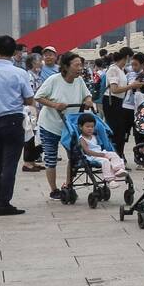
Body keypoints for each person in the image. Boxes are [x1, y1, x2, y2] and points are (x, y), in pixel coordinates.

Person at [0, 35, 35, 215]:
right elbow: (29, 99)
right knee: (9, 164)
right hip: (13, 121)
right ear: (14, 52)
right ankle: (4, 203)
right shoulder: (20, 73)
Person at [34, 52, 93, 202]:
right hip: (50, 124)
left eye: (81, 64)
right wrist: (55, 105)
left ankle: (68, 185)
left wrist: (88, 100)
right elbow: (38, 96)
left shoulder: (79, 81)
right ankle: (54, 190)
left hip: (70, 126)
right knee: (51, 158)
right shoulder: (54, 80)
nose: (80, 68)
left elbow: (87, 95)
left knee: (73, 156)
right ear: (66, 66)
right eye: (77, 65)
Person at [77, 115, 127, 181]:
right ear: (80, 127)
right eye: (87, 126)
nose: (90, 129)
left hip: (100, 153)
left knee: (113, 154)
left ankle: (118, 169)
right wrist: (100, 155)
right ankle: (110, 179)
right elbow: (87, 151)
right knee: (105, 161)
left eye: (92, 127)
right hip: (92, 156)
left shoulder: (94, 136)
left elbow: (100, 146)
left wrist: (102, 153)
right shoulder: (82, 139)